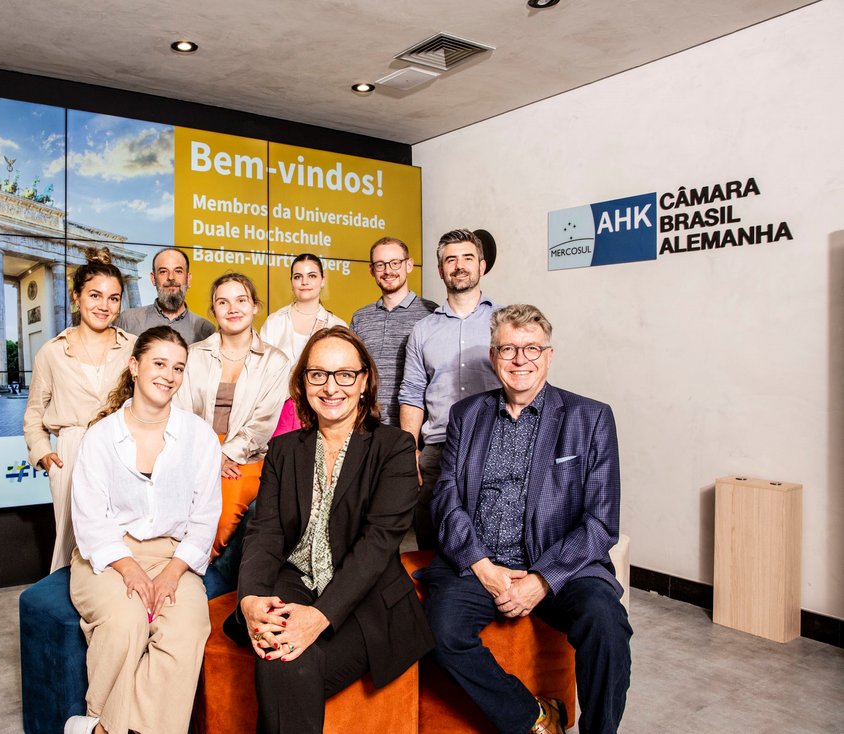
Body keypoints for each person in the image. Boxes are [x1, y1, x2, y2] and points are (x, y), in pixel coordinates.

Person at [421, 304, 632, 734]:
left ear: (549, 356)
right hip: (481, 564)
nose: (520, 360)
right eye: (509, 349)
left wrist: (541, 580)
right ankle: (534, 717)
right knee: (439, 632)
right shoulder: (467, 414)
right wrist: (481, 565)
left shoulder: (589, 418)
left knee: (607, 625)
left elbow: (600, 522)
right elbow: (445, 498)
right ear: (494, 356)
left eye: (531, 348)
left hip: (561, 567)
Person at [236, 326, 435, 734]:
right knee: (281, 654)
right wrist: (251, 599)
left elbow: (378, 545)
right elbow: (266, 531)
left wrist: (319, 617)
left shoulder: (394, 447)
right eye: (318, 374)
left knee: (284, 666)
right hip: (294, 580)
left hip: (368, 598)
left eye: (345, 374)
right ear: (303, 381)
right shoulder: (285, 449)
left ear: (364, 381)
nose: (331, 387)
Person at [65, 326, 222, 734]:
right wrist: (130, 569)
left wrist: (172, 574)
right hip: (107, 557)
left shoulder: (200, 436)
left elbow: (205, 517)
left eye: (178, 368)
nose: (168, 375)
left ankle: (103, 729)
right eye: (159, 363)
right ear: (134, 366)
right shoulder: (100, 437)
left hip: (173, 557)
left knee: (187, 627)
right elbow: (90, 521)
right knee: (126, 618)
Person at [173, 273, 289, 598]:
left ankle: (190, 578)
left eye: (241, 300)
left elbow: (263, 421)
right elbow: (180, 412)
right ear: (213, 310)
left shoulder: (276, 361)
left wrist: (225, 455)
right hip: (197, 451)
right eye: (223, 302)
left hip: (247, 457)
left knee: (222, 510)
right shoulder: (193, 355)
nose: (232, 308)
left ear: (255, 306)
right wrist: (208, 454)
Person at [23, 250, 136, 572]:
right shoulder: (52, 351)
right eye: (95, 295)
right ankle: (64, 614)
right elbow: (34, 412)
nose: (104, 306)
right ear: (77, 297)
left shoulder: (133, 346)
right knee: (71, 544)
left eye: (114, 298)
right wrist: (44, 453)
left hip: (122, 451)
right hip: (71, 453)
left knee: (121, 541)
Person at [398, 228, 502, 550]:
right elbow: (413, 391)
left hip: (495, 444)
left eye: (468, 258)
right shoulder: (423, 330)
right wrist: (410, 451)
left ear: (482, 266)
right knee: (431, 538)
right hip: (437, 450)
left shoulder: (504, 322)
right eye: (451, 259)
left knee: (491, 539)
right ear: (441, 269)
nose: (460, 266)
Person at [350, 236, 438, 426]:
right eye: (380, 265)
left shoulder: (431, 313)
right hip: (367, 426)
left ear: (409, 265)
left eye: (395, 263)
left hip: (415, 430)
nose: (388, 270)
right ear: (372, 270)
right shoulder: (360, 318)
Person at [259, 252, 345, 367]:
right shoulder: (274, 322)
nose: (304, 282)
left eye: (312, 276)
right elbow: (260, 367)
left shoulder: (337, 325)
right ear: (291, 282)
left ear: (323, 280)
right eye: (298, 277)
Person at [115, 247, 216, 344]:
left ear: (188, 279)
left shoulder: (206, 329)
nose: (171, 277)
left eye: (178, 271)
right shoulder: (128, 320)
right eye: (163, 272)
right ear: (153, 278)